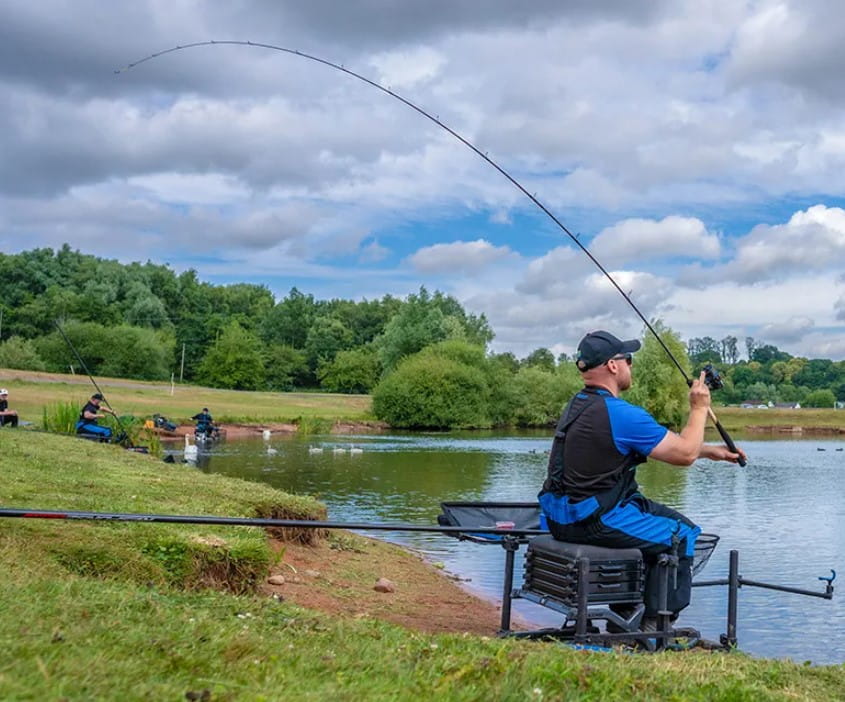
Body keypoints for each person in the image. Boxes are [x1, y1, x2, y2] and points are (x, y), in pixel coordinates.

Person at [538, 330, 746, 629]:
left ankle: (624, 618)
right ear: (613, 365)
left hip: (563, 516)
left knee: (671, 524)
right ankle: (653, 626)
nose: (630, 366)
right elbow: (683, 455)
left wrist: (709, 452)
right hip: (592, 520)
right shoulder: (621, 414)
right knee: (682, 535)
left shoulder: (578, 404)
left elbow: (676, 447)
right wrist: (699, 408)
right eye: (628, 360)